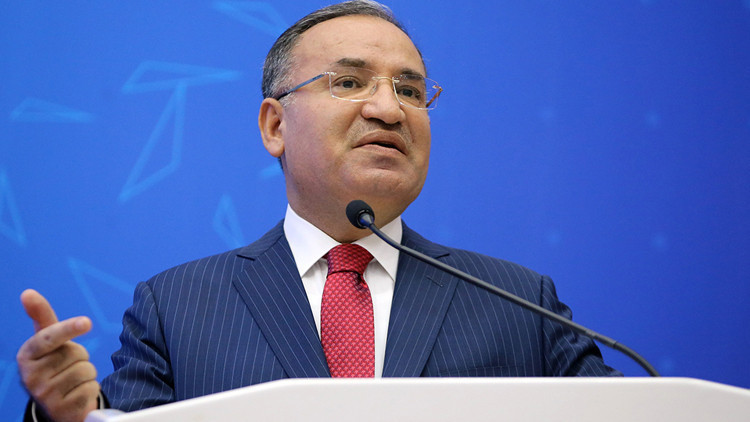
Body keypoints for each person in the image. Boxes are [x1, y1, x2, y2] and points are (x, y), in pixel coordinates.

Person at [17, 1, 620, 421]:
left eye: (411, 91)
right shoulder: (177, 309)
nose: (389, 110)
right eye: (349, 83)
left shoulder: (520, 305)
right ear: (274, 126)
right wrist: (68, 415)